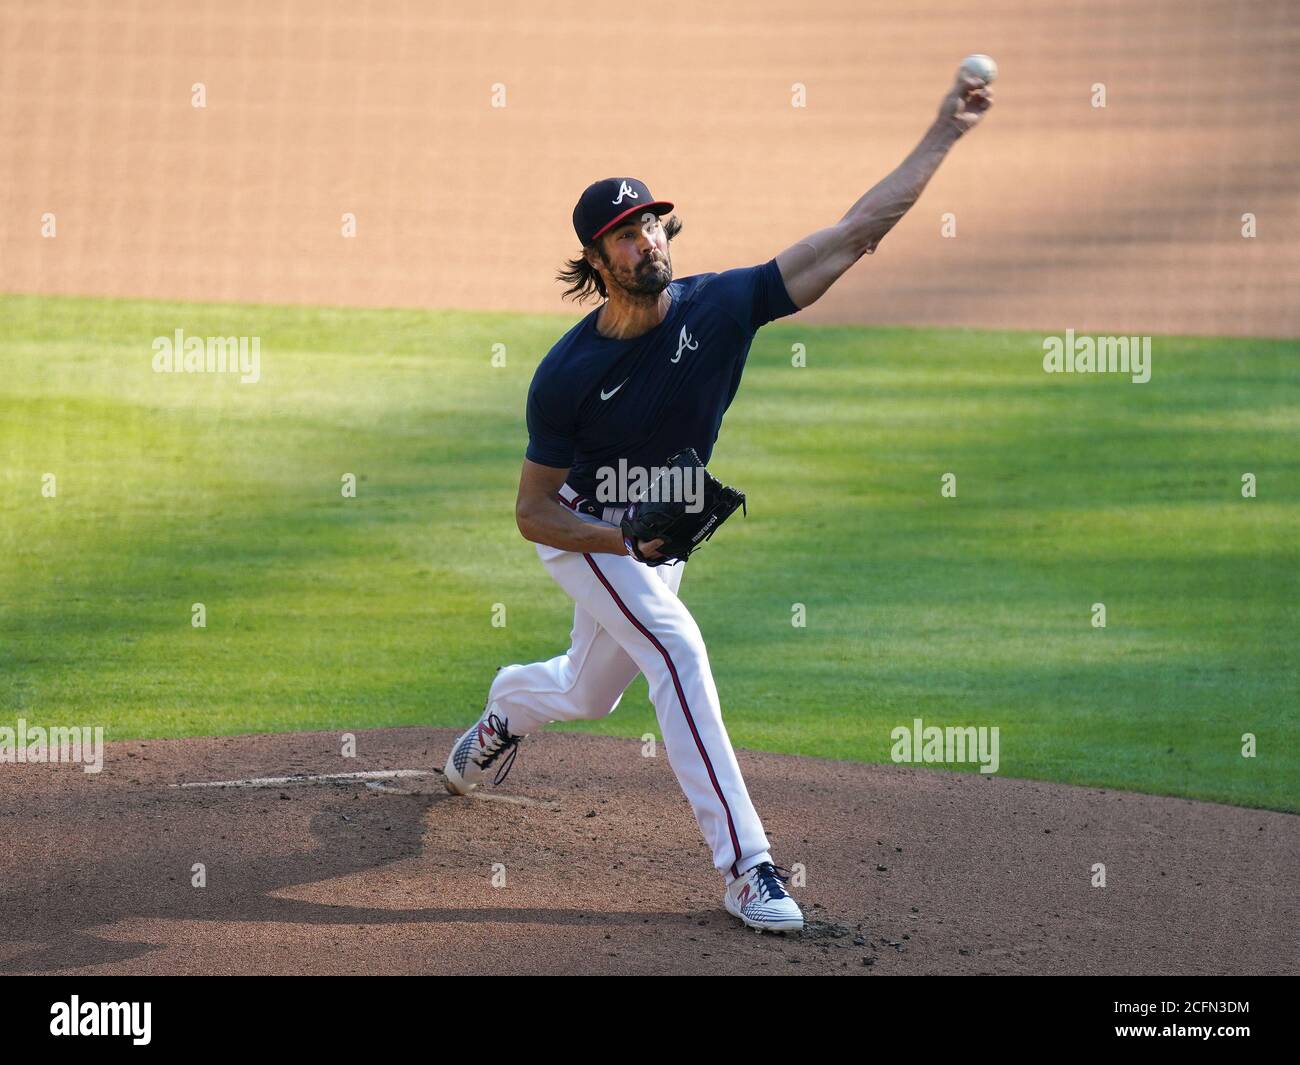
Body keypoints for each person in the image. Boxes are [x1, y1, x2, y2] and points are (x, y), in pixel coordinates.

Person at [442, 71, 993, 933]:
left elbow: (854, 236)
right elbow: (532, 512)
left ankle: (506, 707)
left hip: (658, 531)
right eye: (623, 234)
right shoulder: (565, 376)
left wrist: (944, 133)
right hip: (591, 529)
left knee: (590, 695)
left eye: (651, 222)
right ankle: (747, 867)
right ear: (597, 259)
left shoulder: (725, 305)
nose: (644, 240)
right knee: (677, 647)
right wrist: (622, 541)